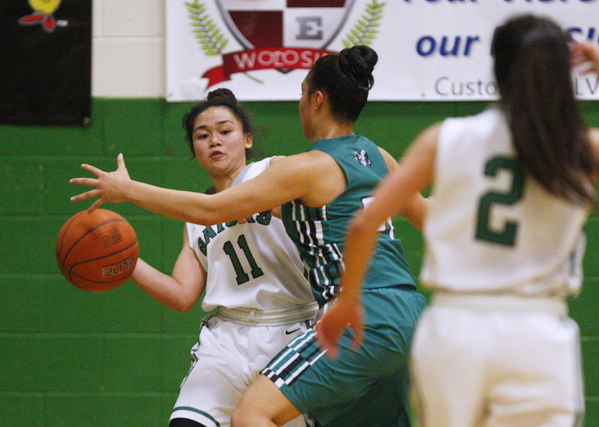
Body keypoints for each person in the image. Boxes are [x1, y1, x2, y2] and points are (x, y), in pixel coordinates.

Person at [69, 45, 429, 426]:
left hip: (337, 315)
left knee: (252, 416)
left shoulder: (287, 170)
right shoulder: (377, 155)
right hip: (406, 311)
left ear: (317, 100)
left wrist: (129, 191)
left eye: (302, 94)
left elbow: (211, 211)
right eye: (203, 135)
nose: (215, 141)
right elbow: (428, 215)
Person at [315, 14, 599, 427]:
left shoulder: (446, 137)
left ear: (497, 74)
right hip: (537, 331)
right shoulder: (578, 146)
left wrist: (347, 301)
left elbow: (363, 225)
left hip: (455, 328)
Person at [126, 88, 317, 427]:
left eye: (225, 131)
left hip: (292, 328)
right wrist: (126, 260)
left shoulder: (274, 171)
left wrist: (273, 206)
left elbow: (325, 206)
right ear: (194, 149)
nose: (214, 141)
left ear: (246, 140)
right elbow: (183, 295)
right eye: (203, 135)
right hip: (227, 336)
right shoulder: (195, 217)